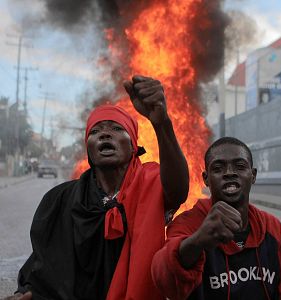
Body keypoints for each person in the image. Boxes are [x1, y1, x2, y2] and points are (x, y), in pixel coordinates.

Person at [7, 75, 189, 300]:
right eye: (95, 131)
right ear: (88, 149)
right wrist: (28, 293)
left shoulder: (152, 184)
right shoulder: (61, 199)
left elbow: (179, 191)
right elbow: (45, 264)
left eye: (116, 129)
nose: (105, 134)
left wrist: (161, 123)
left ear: (134, 146)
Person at [151, 137, 281, 300]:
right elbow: (166, 281)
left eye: (240, 166)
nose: (229, 173)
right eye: (218, 168)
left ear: (253, 175)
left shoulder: (271, 226)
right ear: (206, 179)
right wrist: (197, 240)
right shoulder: (188, 224)